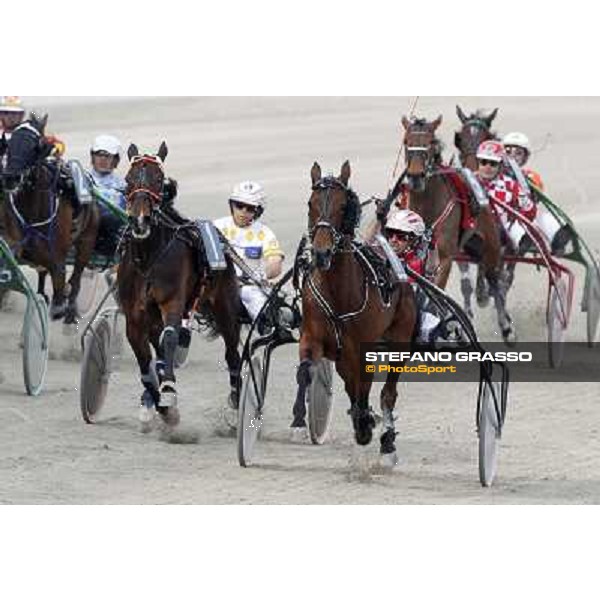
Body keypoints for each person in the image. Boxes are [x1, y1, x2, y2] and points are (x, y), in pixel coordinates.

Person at [214, 181, 284, 323]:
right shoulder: (216, 227)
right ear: (231, 205)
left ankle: (264, 325)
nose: (243, 212)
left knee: (256, 300)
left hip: (248, 286)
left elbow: (275, 261)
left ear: (258, 211)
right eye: (239, 206)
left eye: (250, 208)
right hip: (217, 283)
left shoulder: (264, 232)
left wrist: (265, 275)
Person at [502, 131, 572, 255]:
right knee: (514, 226)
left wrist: (523, 180)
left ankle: (557, 239)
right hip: (503, 216)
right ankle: (524, 241)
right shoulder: (495, 175)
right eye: (508, 152)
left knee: (545, 219)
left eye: (518, 153)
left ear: (525, 157)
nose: (512, 156)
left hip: (525, 214)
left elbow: (536, 194)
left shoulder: (530, 175)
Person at [475, 140, 536, 254]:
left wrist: (517, 220)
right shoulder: (469, 182)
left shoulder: (511, 185)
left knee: (516, 230)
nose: (488, 167)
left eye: (493, 163)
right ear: (478, 163)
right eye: (484, 162)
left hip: (503, 232)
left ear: (501, 165)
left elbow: (530, 210)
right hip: (475, 231)